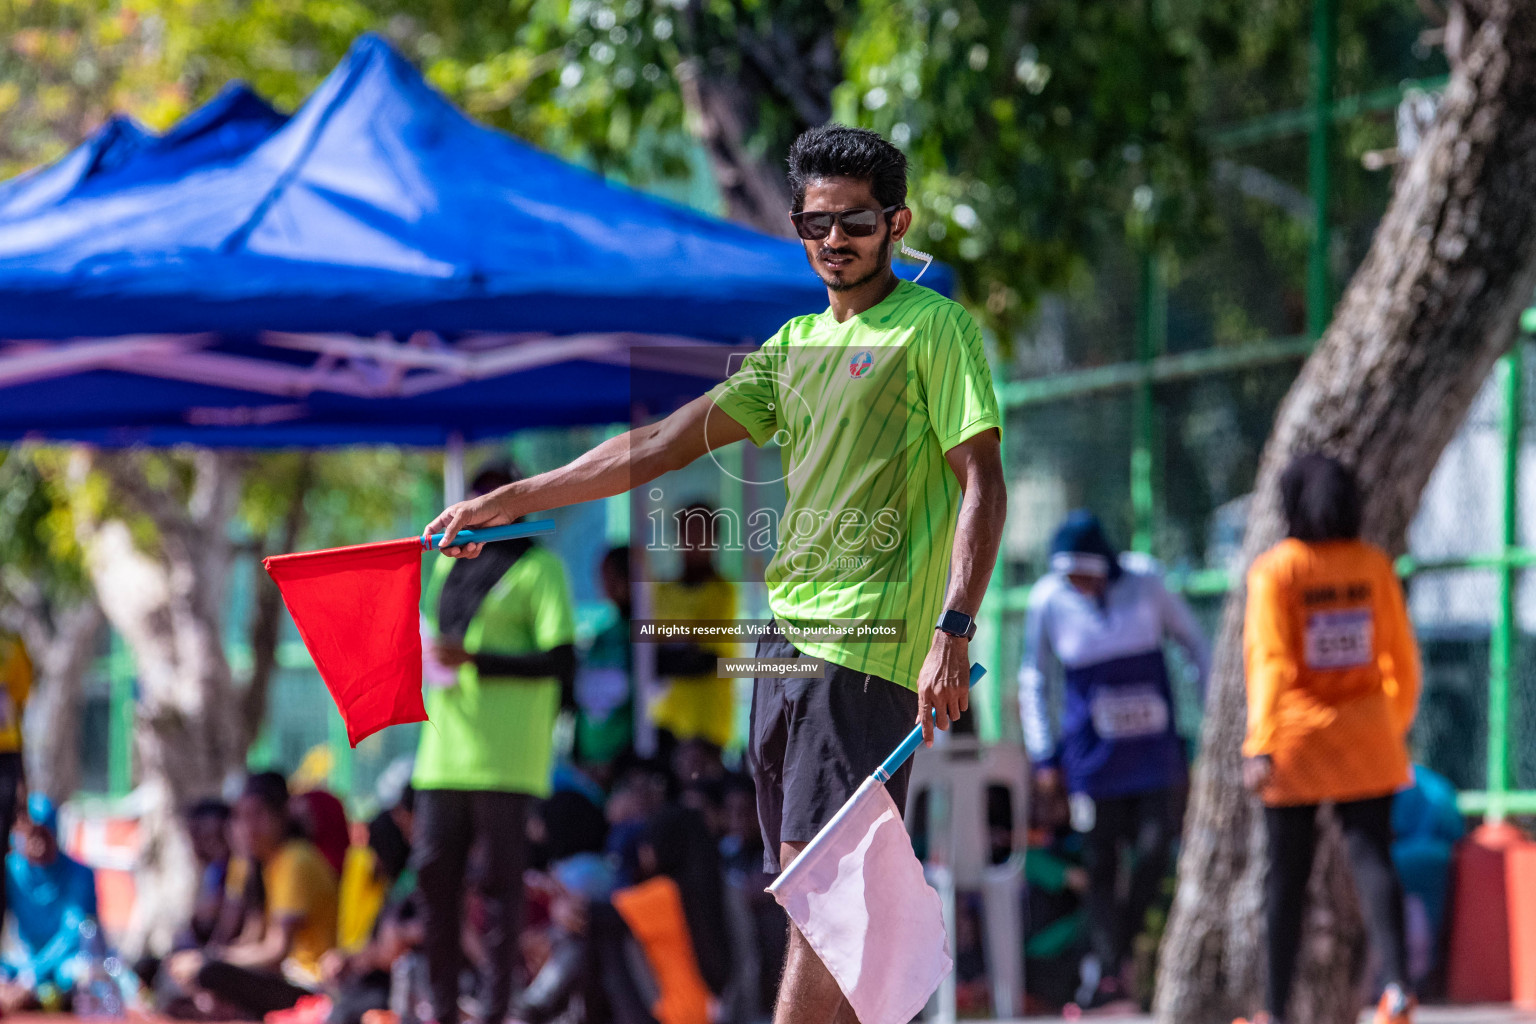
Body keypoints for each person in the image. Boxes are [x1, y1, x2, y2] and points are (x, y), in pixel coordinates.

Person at [424, 123, 1005, 1024]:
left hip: (862, 656)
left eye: (855, 222)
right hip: (785, 656)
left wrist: (953, 629)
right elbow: (656, 443)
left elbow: (984, 485)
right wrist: (515, 501)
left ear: (898, 224)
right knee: (811, 900)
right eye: (817, 224)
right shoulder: (793, 345)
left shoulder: (933, 331)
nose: (835, 242)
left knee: (827, 898)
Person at [1234, 454, 1421, 1024]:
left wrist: (1260, 743)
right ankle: (1396, 991)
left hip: (1294, 741)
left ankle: (1273, 1010)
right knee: (1374, 859)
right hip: (1367, 736)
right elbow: (1402, 659)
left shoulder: (1277, 572)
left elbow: (1270, 662)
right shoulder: (1373, 567)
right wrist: (1390, 725)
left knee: (1285, 877)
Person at [1016, 510, 1209, 1008]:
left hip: (1152, 758)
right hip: (1091, 763)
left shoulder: (1146, 582)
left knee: (1154, 848)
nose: (1075, 583)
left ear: (1104, 563)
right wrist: (1044, 758)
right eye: (1067, 575)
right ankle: (1108, 973)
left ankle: (1114, 950)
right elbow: (1034, 679)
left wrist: (1212, 720)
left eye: (1083, 571)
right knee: (1099, 862)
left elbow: (1195, 644)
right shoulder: (1048, 601)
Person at [414, 462, 578, 1024]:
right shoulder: (446, 567)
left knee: (501, 893)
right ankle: (440, 1008)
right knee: (435, 881)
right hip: (442, 752)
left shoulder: (541, 568)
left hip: (506, 756)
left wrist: (476, 660)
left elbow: (560, 660)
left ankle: (495, 1010)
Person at [170, 772, 340, 1020]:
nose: (248, 828)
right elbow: (249, 937)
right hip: (279, 977)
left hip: (309, 985)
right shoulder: (264, 863)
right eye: (241, 817)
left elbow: (275, 950)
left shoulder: (296, 860)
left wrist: (208, 960)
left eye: (257, 815)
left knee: (210, 972)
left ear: (281, 815)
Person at [651, 504, 739, 760]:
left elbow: (706, 660)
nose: (694, 541)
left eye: (701, 533)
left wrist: (663, 658)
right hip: (666, 720)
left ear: (714, 539)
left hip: (707, 725)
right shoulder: (662, 592)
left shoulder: (723, 592)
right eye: (688, 532)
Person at [0, 794, 98, 1011]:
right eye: (31, 835)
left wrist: (30, 977)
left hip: (68, 962)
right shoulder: (12, 872)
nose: (37, 843)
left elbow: (74, 933)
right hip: (25, 959)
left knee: (82, 975)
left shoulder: (80, 874)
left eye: (45, 834)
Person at [574, 546, 639, 780]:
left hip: (625, 763)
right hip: (589, 760)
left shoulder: (647, 636)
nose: (606, 584)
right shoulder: (602, 631)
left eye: (613, 575)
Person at [184, 799, 233, 948]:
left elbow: (211, 910)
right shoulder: (212, 869)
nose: (209, 845)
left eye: (217, 838)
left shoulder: (231, 868)